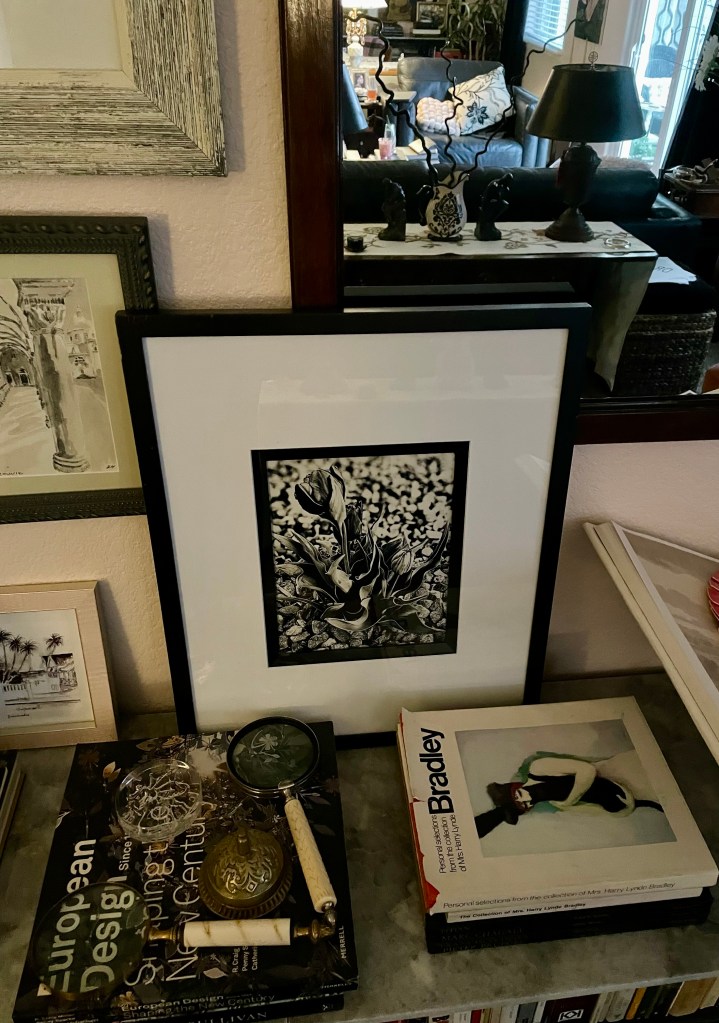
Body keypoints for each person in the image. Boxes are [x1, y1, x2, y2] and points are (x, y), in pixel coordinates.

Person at [474, 749, 664, 838]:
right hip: (627, 799)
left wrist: (570, 799)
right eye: (523, 806)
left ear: (515, 787)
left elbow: (587, 770)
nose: (528, 800)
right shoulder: (555, 804)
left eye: (518, 796)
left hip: (624, 773)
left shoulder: (538, 768)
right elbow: (596, 809)